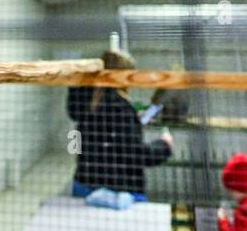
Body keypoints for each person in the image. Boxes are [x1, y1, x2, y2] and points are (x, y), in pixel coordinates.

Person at [66, 46, 172, 201]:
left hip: (85, 184)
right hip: (121, 192)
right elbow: (136, 156)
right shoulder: (121, 108)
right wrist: (164, 145)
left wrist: (132, 120)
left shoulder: (87, 102)